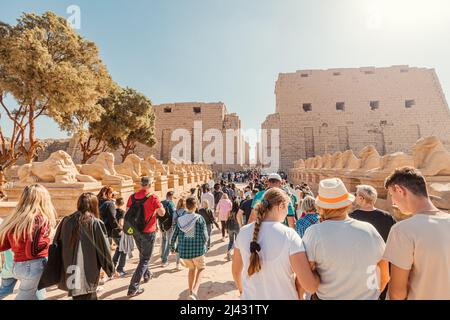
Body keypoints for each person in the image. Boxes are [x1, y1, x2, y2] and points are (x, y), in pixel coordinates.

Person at [301, 178, 389, 300]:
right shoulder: (369, 229)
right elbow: (385, 275)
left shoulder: (314, 233)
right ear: (348, 204)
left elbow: (308, 278)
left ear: (320, 207)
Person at [232, 188, 319, 300]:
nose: (287, 212)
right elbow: (310, 286)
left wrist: (242, 290)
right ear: (281, 206)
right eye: (287, 207)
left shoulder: (243, 232)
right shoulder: (289, 235)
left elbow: (235, 271)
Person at [383, 167, 450, 300]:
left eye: (392, 195)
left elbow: (397, 293)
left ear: (400, 190)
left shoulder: (402, 230)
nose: (393, 202)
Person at [0, 184, 57, 300]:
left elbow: (3, 244)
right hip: (33, 266)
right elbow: (33, 251)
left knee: (38, 296)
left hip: (17, 265)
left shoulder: (15, 218)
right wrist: (49, 238)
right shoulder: (39, 219)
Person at [56, 193, 114, 300]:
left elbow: (57, 245)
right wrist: (110, 269)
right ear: (94, 205)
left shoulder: (66, 221)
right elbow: (103, 250)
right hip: (88, 272)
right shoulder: (95, 223)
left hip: (70, 269)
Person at [126, 177, 165, 297]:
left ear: (141, 184)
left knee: (143, 255)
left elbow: (128, 212)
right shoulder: (153, 197)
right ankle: (133, 287)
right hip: (148, 231)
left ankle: (147, 275)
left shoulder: (132, 197)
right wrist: (160, 206)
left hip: (136, 231)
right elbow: (162, 213)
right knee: (145, 259)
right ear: (150, 184)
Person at [170, 197, 208, 300]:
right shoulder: (199, 218)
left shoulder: (180, 220)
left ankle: (191, 292)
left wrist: (172, 247)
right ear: (196, 206)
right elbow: (205, 236)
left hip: (184, 251)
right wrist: (205, 245)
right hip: (198, 249)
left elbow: (174, 235)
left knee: (191, 269)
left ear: (186, 206)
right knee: (201, 268)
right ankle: (195, 291)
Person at [0, 218, 17, 300]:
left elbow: (2, 256)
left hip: (8, 269)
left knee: (4, 291)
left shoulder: (3, 238)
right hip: (22, 267)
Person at [160, 191, 176, 267]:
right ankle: (164, 260)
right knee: (169, 242)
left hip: (161, 224)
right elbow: (173, 215)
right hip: (169, 225)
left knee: (164, 240)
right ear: (171, 196)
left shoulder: (161, 202)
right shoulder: (171, 203)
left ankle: (162, 256)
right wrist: (173, 225)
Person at [112, 197, 127, 277]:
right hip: (119, 233)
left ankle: (112, 265)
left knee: (118, 249)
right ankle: (120, 269)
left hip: (113, 233)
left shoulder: (113, 211)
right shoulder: (122, 212)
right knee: (124, 251)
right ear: (122, 204)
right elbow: (121, 224)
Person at [173, 198, 188, 270]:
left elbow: (173, 222)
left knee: (178, 247)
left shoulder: (175, 212)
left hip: (176, 230)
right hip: (184, 231)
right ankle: (183, 262)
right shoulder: (186, 212)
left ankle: (177, 264)